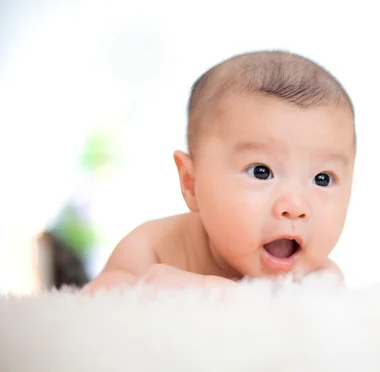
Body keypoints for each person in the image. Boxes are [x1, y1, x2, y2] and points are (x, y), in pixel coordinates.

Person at [83, 50, 356, 293]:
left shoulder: (319, 281)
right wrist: (178, 290)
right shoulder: (152, 248)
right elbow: (92, 306)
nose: (295, 207)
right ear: (191, 182)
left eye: (323, 179)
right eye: (261, 172)